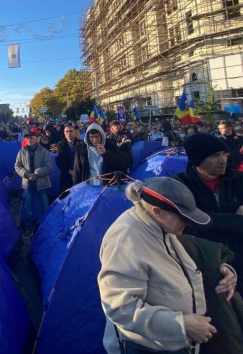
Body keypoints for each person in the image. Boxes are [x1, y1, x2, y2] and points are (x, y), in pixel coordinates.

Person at [98, 177, 237, 354]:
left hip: (178, 344)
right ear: (157, 212)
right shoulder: (125, 240)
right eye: (183, 218)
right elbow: (119, 308)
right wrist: (182, 325)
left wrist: (222, 270)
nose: (188, 224)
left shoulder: (161, 227)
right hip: (147, 348)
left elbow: (191, 258)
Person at [174, 133, 243, 286]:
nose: (222, 160)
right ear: (197, 159)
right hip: (208, 263)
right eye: (215, 156)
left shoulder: (238, 179)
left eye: (224, 154)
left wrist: (210, 220)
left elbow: (202, 220)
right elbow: (190, 226)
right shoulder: (181, 186)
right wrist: (236, 220)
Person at [15, 132, 52, 237]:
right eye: (27, 138)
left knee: (45, 207)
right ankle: (29, 228)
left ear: (37, 138)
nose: (29, 140)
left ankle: (47, 227)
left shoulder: (43, 151)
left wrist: (37, 173)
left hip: (41, 183)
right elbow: (17, 166)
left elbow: (49, 166)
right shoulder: (21, 152)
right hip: (28, 183)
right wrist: (27, 174)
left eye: (31, 138)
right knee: (28, 209)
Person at [55, 124, 81, 194]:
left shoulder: (81, 144)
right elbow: (59, 161)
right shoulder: (60, 144)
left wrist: (76, 172)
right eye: (66, 132)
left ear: (74, 132)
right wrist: (69, 171)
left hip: (79, 175)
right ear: (64, 133)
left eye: (71, 131)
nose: (69, 133)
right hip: (66, 175)